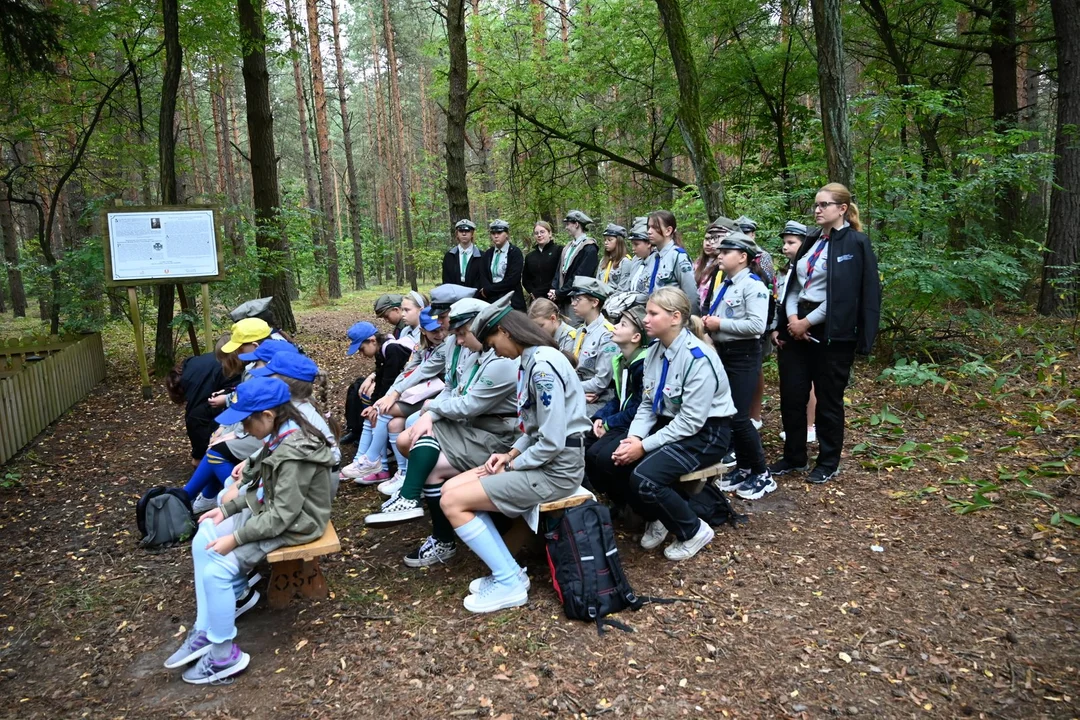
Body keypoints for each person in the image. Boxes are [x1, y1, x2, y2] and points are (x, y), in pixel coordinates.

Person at [163, 377, 334, 684]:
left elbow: (282, 515)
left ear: (267, 416)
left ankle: (223, 655)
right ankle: (206, 629)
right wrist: (226, 510)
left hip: (297, 525)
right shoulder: (280, 434)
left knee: (217, 570)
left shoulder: (293, 449)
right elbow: (267, 494)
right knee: (204, 537)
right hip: (278, 514)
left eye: (245, 423)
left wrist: (236, 538)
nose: (242, 430)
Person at [438, 293, 591, 613]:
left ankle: (509, 581)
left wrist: (516, 463)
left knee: (452, 502)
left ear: (506, 332)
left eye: (493, 344)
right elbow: (535, 431)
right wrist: (508, 455)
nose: (496, 352)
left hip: (557, 469)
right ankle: (510, 572)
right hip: (544, 460)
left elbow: (551, 442)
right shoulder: (531, 360)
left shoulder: (543, 367)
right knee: (450, 488)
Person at [366, 300, 520, 573]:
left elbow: (470, 404)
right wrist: (399, 394)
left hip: (497, 437)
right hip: (474, 428)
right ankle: (421, 509)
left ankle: (433, 524)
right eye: (452, 331)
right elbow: (448, 384)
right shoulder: (474, 350)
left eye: (460, 332)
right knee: (414, 442)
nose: (455, 339)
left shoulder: (500, 361)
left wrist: (431, 410)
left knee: (426, 456)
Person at [588, 288, 735, 560]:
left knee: (645, 478)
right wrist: (633, 439)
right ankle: (657, 516)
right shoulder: (656, 352)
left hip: (707, 433)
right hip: (672, 425)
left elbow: (691, 422)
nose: (646, 319)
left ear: (675, 318)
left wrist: (643, 446)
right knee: (614, 459)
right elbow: (647, 404)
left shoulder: (698, 358)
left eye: (653, 314)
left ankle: (693, 531)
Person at [772, 183, 881, 484]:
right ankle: (794, 456)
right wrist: (792, 319)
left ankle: (828, 460)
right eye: (816, 205)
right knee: (792, 394)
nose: (817, 210)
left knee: (828, 398)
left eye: (824, 205)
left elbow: (846, 296)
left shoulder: (856, 243)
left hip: (833, 332)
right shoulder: (810, 239)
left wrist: (807, 323)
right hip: (797, 326)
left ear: (842, 209)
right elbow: (794, 284)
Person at [702, 232, 773, 500]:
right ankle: (743, 468)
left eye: (726, 251)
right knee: (729, 414)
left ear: (742, 257)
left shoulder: (753, 285)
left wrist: (720, 325)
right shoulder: (727, 284)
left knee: (741, 418)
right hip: (725, 354)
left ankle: (762, 473)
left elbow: (757, 326)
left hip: (744, 356)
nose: (719, 255)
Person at [342, 308, 447, 483]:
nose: (440, 334)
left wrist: (392, 395)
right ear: (423, 331)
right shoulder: (422, 347)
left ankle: (373, 460)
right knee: (391, 420)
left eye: (441, 328)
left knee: (383, 410)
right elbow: (407, 372)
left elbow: (420, 372)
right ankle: (400, 473)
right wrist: (389, 394)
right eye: (433, 331)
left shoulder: (443, 347)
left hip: (435, 395)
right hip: (422, 393)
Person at [583, 293, 649, 508]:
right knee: (587, 442)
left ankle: (633, 505)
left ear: (636, 337)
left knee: (602, 456)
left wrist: (611, 423)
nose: (614, 327)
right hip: (622, 419)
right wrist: (601, 417)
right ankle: (614, 498)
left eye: (621, 325)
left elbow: (638, 406)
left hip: (636, 425)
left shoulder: (642, 364)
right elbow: (619, 399)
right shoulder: (620, 359)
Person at [772, 221, 816, 444]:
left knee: (809, 385)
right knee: (791, 387)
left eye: (791, 243)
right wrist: (777, 329)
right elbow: (780, 301)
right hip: (788, 330)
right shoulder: (785, 271)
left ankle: (810, 425)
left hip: (806, 330)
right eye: (784, 243)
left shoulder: (809, 269)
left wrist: (802, 324)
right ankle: (794, 434)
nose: (785, 247)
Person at [166, 334, 238, 465]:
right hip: (227, 380)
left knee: (198, 415)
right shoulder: (191, 363)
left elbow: (195, 420)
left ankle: (208, 459)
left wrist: (197, 456)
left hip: (231, 379)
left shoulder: (191, 380)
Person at [568, 276, 618, 416]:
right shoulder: (580, 331)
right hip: (578, 394)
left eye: (578, 299)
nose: (573, 304)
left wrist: (569, 388)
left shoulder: (607, 335)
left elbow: (601, 382)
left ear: (595, 302)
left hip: (599, 401)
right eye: (573, 299)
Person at [642, 211, 699, 315]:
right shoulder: (653, 258)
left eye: (655, 227)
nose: (649, 231)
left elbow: (691, 295)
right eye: (648, 227)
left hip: (671, 318)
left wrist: (690, 322)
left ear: (668, 231)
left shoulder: (678, 257)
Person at [549, 210, 599, 320]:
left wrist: (559, 292)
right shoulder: (568, 247)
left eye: (568, 224)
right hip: (563, 298)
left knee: (574, 329)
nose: (566, 227)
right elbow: (559, 270)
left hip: (577, 298)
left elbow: (580, 276)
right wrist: (554, 289)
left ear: (576, 224)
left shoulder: (589, 248)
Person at [478, 219, 526, 310]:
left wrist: (489, 290)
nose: (496, 236)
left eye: (499, 233)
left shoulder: (515, 252)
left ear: (507, 234)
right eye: (493, 233)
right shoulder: (488, 254)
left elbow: (512, 279)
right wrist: (488, 291)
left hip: (511, 299)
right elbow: (483, 275)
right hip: (491, 299)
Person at [695, 216, 737, 311]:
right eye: (707, 239)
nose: (709, 243)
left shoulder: (726, 266)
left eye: (715, 239)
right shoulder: (698, 263)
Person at [522, 220, 561, 304]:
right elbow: (525, 279)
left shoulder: (559, 251)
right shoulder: (530, 256)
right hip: (535, 299)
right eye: (536, 233)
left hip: (554, 297)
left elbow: (559, 275)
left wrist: (544, 291)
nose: (539, 235)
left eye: (542, 232)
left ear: (550, 233)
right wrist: (532, 292)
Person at [442, 219, 483, 288]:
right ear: (457, 234)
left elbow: (482, 279)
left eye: (467, 231)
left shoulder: (481, 256)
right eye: (461, 231)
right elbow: (446, 279)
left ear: (472, 233)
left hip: (475, 295)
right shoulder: (449, 256)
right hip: (453, 295)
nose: (464, 234)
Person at [624, 218, 654, 294]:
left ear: (649, 243)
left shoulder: (657, 262)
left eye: (636, 244)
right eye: (632, 244)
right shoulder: (635, 261)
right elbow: (627, 288)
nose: (633, 248)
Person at [596, 223, 631, 290]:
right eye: (605, 240)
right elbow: (597, 282)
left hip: (616, 298)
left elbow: (623, 288)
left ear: (618, 241)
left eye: (610, 240)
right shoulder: (603, 260)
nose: (606, 242)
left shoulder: (625, 262)